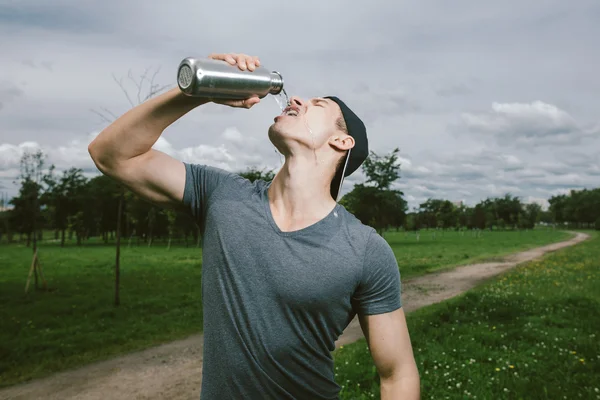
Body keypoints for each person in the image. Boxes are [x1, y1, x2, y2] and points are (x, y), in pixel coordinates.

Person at [88, 52, 420, 400]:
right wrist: (197, 91)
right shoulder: (222, 196)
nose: (295, 100)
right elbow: (111, 154)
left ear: (342, 141)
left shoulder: (366, 250)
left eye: (318, 104)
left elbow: (397, 374)